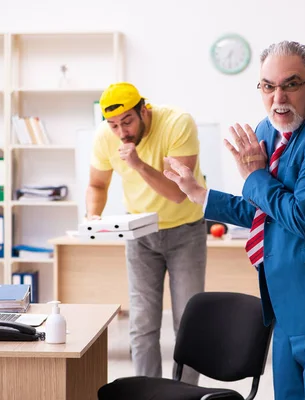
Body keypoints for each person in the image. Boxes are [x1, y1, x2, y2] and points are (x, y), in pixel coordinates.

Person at [163, 41, 305, 400]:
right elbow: (263, 211)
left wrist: (254, 176)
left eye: (290, 84)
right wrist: (198, 194)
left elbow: (302, 216)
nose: (277, 97)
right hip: (285, 303)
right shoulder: (267, 130)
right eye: (268, 86)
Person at [86, 82, 207, 385]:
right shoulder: (105, 137)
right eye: (113, 125)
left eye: (127, 121)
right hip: (140, 235)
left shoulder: (178, 123)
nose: (122, 132)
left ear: (144, 109)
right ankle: (148, 393)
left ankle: (185, 393)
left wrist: (138, 165)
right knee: (142, 325)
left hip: (186, 231)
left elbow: (180, 193)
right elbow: (97, 185)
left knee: (188, 324)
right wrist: (92, 217)